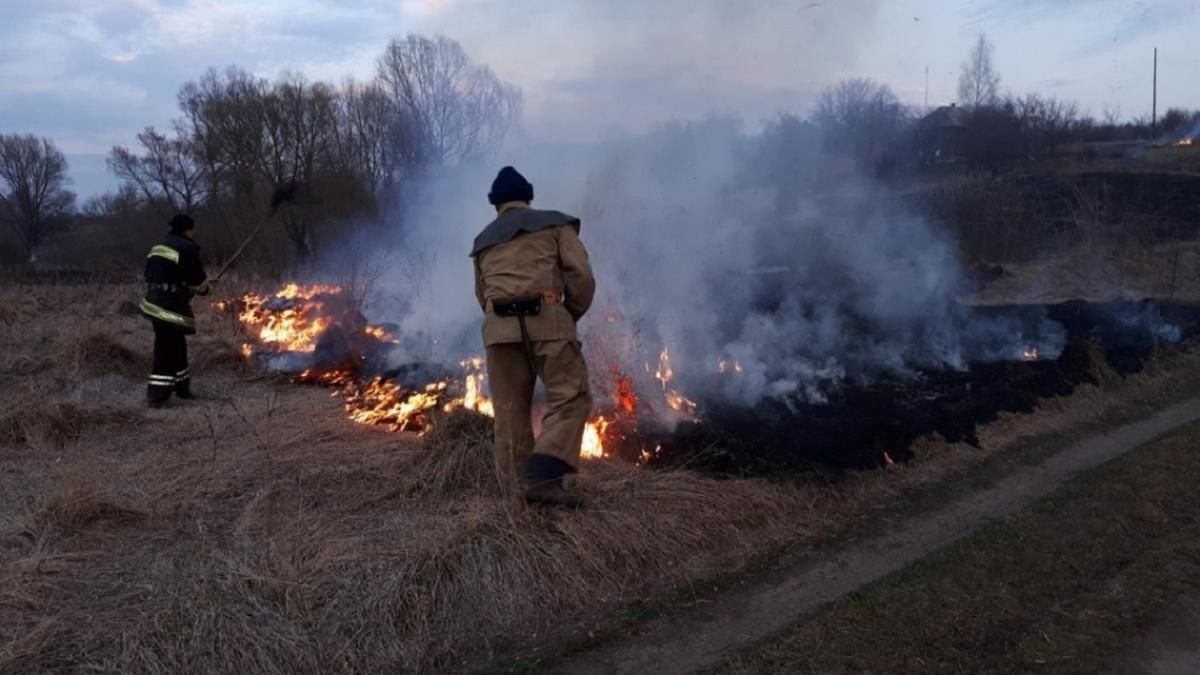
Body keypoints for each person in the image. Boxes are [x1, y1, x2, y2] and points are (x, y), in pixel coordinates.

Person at [471, 166, 596, 508]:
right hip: (547, 321)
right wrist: (564, 316)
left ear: (495, 204)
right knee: (571, 397)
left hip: (499, 332)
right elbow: (582, 278)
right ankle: (543, 473)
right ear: (528, 197)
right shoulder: (556, 225)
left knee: (509, 414)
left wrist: (504, 323)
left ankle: (517, 501)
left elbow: (482, 295)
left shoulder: (483, 242)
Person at [140, 214, 210, 408]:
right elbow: (196, 278)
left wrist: (184, 285)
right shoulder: (188, 247)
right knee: (166, 348)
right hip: (168, 306)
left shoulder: (158, 247)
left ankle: (182, 388)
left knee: (178, 344)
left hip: (153, 302)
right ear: (188, 229)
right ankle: (157, 397)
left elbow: (152, 274)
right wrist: (204, 288)